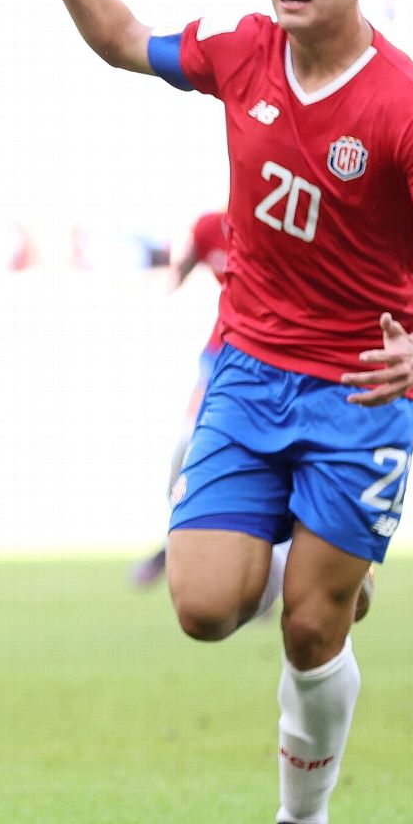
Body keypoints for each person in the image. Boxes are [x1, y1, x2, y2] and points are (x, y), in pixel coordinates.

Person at [26, 0, 413, 824]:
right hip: (247, 372)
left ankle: (302, 823)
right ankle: (321, 557)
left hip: (362, 390)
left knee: (310, 627)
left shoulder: (406, 107)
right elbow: (125, 41)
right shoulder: (241, 47)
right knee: (202, 608)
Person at [133, 210, 228, 588]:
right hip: (219, 356)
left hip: (267, 361)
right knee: (185, 447)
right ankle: (174, 535)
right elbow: (179, 273)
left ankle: (267, 564)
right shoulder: (211, 227)